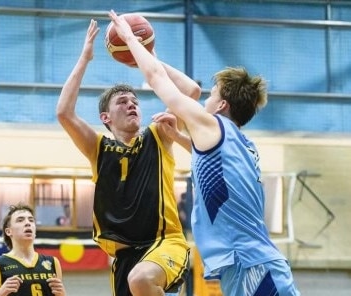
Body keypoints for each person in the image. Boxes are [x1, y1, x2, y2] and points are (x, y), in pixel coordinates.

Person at [108, 10, 301, 296]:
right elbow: (215, 169)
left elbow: (158, 79)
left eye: (211, 95)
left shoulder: (213, 125)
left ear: (221, 105)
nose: (205, 99)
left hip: (253, 266)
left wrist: (131, 41)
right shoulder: (241, 143)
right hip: (251, 265)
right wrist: (178, 137)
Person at [56, 19, 201, 296]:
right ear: (105, 118)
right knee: (138, 279)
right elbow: (64, 112)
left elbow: (191, 91)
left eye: (135, 102)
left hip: (165, 243)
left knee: (142, 279)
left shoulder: (158, 134)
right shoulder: (98, 148)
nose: (131, 104)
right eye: (122, 102)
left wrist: (144, 57)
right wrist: (85, 58)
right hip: (124, 257)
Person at [0, 203, 66, 296]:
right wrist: (1, 292)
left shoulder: (52, 263)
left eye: (31, 220)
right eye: (20, 220)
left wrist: (62, 294)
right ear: (8, 231)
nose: (28, 223)